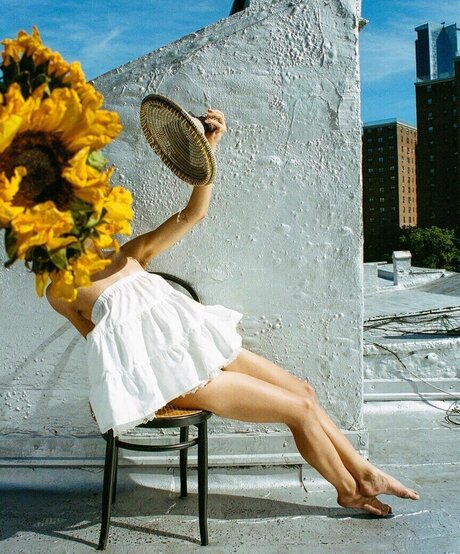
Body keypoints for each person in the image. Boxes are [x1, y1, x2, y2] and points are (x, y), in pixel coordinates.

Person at [47, 108, 419, 517]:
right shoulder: (62, 290)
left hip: (202, 345)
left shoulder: (129, 254)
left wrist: (210, 149)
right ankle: (349, 487)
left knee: (304, 393)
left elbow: (193, 214)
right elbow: (104, 347)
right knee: (298, 410)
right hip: (176, 376)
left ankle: (363, 473)